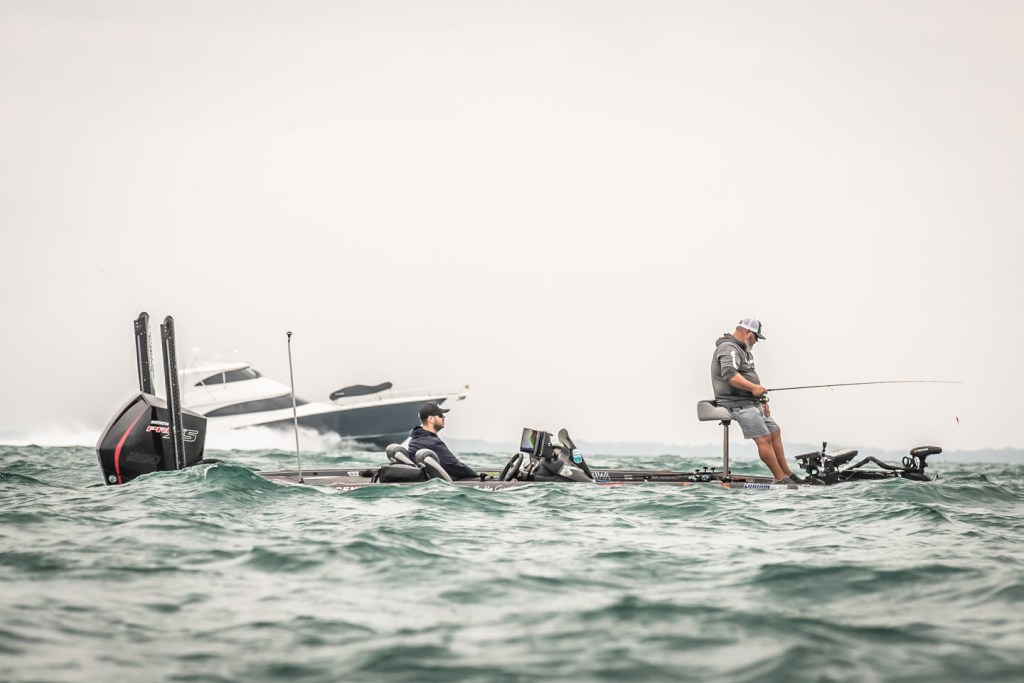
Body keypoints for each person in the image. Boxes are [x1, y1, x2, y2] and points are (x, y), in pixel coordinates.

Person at [710, 317, 801, 484]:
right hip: (736, 404)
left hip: (751, 402)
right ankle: (780, 479)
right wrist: (753, 388)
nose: (756, 341)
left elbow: (750, 379)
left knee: (775, 431)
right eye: (756, 337)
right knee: (764, 438)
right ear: (748, 332)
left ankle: (787, 474)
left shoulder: (744, 351)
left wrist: (762, 398)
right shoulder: (728, 348)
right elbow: (729, 374)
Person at [407, 402, 480, 480]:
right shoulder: (432, 442)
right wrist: (476, 476)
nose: (444, 417)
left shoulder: (415, 439)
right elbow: (456, 467)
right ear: (431, 419)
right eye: (440, 415)